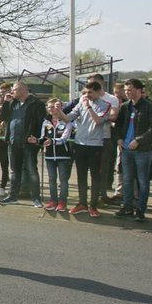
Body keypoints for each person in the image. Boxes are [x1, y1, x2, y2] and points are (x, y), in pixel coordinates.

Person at [64, 79, 114, 216]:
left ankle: (93, 205)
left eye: (90, 92)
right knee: (81, 175)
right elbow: (68, 118)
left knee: (95, 176)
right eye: (85, 92)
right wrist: (58, 112)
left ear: (98, 92)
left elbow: (98, 121)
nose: (87, 95)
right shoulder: (81, 102)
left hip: (95, 145)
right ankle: (82, 203)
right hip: (80, 144)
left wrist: (89, 107)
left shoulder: (105, 105)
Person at [114, 78, 152, 221]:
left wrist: (139, 140)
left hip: (143, 150)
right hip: (126, 149)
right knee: (127, 180)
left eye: (130, 90)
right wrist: (119, 138)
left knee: (142, 181)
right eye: (126, 90)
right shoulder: (125, 107)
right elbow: (118, 124)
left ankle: (141, 210)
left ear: (139, 90)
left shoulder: (150, 107)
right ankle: (127, 207)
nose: (127, 92)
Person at [1, 82, 47, 208]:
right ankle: (12, 196)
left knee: (32, 171)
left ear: (22, 90)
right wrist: (5, 103)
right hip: (13, 142)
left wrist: (37, 138)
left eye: (14, 90)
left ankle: (36, 198)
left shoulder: (36, 104)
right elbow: (3, 117)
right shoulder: (13, 103)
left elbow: (42, 122)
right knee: (14, 171)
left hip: (28, 143)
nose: (11, 92)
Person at [40, 99, 75, 212]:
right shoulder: (46, 122)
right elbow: (42, 137)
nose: (50, 109)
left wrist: (52, 141)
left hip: (63, 155)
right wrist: (37, 140)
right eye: (48, 107)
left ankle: (62, 202)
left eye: (53, 107)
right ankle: (53, 200)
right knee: (51, 179)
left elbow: (64, 138)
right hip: (49, 155)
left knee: (63, 180)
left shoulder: (66, 121)